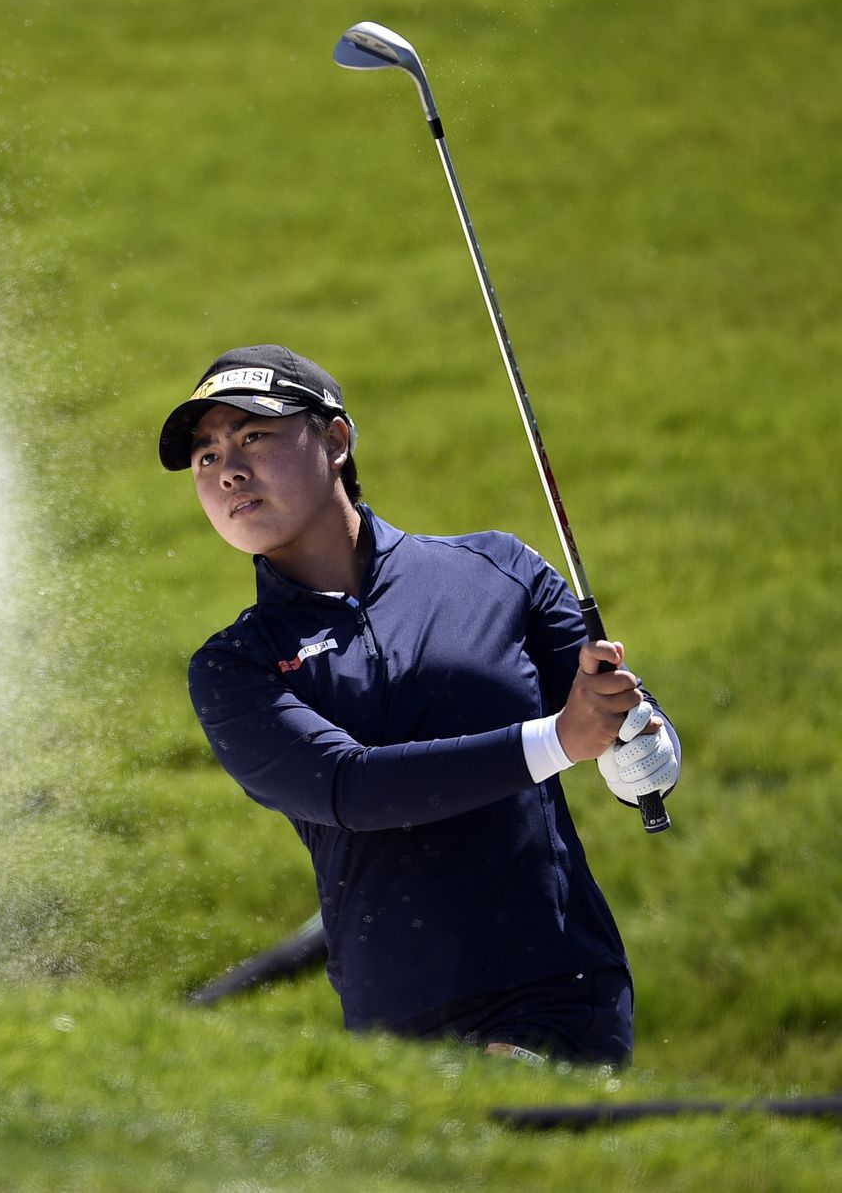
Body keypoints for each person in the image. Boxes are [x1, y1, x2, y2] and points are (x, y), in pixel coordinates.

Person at [159, 344, 680, 1065]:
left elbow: (635, 735)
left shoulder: (501, 569)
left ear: (336, 439)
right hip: (395, 1030)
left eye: (253, 436)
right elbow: (350, 787)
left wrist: (636, 744)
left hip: (558, 986)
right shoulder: (233, 666)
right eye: (206, 458)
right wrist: (559, 740)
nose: (229, 471)